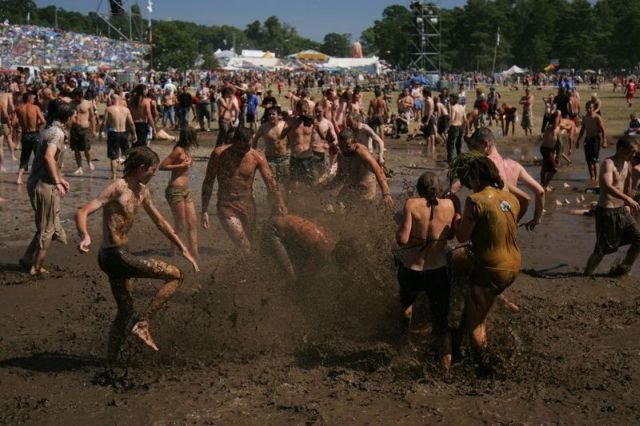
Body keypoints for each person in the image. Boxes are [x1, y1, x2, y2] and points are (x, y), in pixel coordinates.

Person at [75, 146, 199, 360]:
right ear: (141, 168)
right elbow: (83, 211)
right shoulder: (118, 187)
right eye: (152, 169)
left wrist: (183, 248)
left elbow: (161, 222)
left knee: (125, 311)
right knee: (176, 275)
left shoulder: (142, 191)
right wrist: (85, 235)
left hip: (120, 255)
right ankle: (143, 323)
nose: (155, 173)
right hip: (114, 255)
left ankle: (110, 359)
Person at [449, 152, 523, 369]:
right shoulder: (510, 198)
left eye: (470, 178)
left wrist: (457, 216)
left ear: (477, 177)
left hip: (491, 267)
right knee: (476, 302)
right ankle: (461, 338)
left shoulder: (475, 201)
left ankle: (484, 368)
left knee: (476, 324)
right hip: (514, 265)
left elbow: (461, 236)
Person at [395, 172, 457, 370]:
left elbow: (402, 240)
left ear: (418, 188)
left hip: (412, 270)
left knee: (406, 306)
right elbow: (454, 234)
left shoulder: (411, 204)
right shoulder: (450, 205)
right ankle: (445, 366)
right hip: (438, 270)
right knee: (441, 320)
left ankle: (404, 345)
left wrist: (399, 228)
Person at [201, 127, 287, 253]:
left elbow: (270, 182)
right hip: (226, 205)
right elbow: (209, 181)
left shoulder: (256, 157)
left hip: (248, 205)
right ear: (235, 142)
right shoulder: (219, 154)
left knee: (251, 244)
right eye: (244, 147)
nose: (247, 150)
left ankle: (242, 270)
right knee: (244, 245)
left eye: (249, 145)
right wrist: (204, 210)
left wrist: (280, 202)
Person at [19, 103, 76, 276]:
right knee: (47, 229)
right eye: (73, 116)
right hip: (44, 185)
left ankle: (27, 258)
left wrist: (60, 178)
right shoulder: (57, 133)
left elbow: (47, 160)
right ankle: (36, 267)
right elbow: (48, 157)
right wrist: (57, 181)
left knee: (44, 225)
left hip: (38, 181)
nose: (75, 119)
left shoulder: (49, 130)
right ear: (67, 118)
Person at [584, 137, 640, 277]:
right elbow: (607, 186)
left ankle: (623, 269)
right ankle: (586, 275)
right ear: (621, 149)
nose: (634, 155)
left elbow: (628, 183)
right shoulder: (608, 163)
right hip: (607, 211)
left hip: (622, 211)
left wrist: (629, 200)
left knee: (638, 240)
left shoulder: (627, 164)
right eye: (632, 152)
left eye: (636, 153)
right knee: (601, 250)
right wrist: (627, 198)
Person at [469, 128, 543, 230]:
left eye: (474, 148)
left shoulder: (482, 167)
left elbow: (475, 202)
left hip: (489, 226)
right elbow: (540, 191)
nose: (471, 152)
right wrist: (536, 219)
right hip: (509, 224)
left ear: (485, 144)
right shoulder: (515, 166)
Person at [328, 128, 394, 210]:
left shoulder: (362, 153)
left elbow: (379, 172)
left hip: (365, 190)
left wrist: (386, 194)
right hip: (351, 187)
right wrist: (325, 187)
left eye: (347, 147)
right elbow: (339, 177)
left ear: (355, 142)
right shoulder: (341, 154)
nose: (344, 150)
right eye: (341, 146)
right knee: (337, 202)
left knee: (363, 212)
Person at [160, 127, 199, 258]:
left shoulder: (186, 150)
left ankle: (195, 252)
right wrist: (181, 166)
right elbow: (162, 166)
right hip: (175, 190)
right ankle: (173, 252)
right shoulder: (177, 150)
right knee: (180, 224)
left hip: (185, 190)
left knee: (192, 222)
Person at [263, 213, 336, 281]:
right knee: (290, 275)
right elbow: (307, 274)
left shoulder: (329, 243)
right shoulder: (324, 252)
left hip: (279, 222)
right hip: (273, 229)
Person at [99, 94, 137, 179]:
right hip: (124, 133)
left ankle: (114, 176)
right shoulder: (126, 110)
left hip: (113, 133)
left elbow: (104, 122)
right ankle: (129, 174)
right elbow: (131, 123)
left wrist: (101, 133)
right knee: (126, 154)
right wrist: (134, 134)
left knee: (113, 156)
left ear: (112, 100)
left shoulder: (109, 109)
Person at [15, 92, 46, 185]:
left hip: (25, 135)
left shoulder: (19, 108)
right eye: (33, 98)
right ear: (29, 99)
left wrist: (20, 126)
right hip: (35, 134)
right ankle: (40, 177)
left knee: (24, 157)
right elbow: (43, 121)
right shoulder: (35, 108)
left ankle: (19, 178)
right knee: (39, 156)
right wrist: (36, 126)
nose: (34, 100)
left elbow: (13, 123)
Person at [577, 102, 608, 182]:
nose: (589, 109)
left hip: (595, 139)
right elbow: (582, 129)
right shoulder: (585, 117)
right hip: (588, 139)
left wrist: (604, 141)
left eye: (590, 108)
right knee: (588, 160)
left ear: (593, 108)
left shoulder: (597, 117)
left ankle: (597, 178)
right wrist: (578, 140)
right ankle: (592, 178)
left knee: (595, 160)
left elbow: (603, 129)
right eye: (587, 108)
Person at [70, 88, 97, 175]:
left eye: (77, 96)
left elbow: (92, 117)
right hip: (74, 128)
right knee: (76, 149)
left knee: (86, 149)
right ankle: (79, 167)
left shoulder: (88, 103)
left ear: (81, 95)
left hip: (85, 128)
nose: (76, 98)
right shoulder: (71, 104)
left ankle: (89, 162)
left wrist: (94, 130)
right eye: (74, 96)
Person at [540, 121, 560, 191]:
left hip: (550, 150)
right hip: (546, 150)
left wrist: (556, 152)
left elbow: (557, 142)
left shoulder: (558, 128)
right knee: (554, 169)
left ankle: (543, 184)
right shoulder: (549, 127)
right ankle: (544, 186)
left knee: (545, 167)